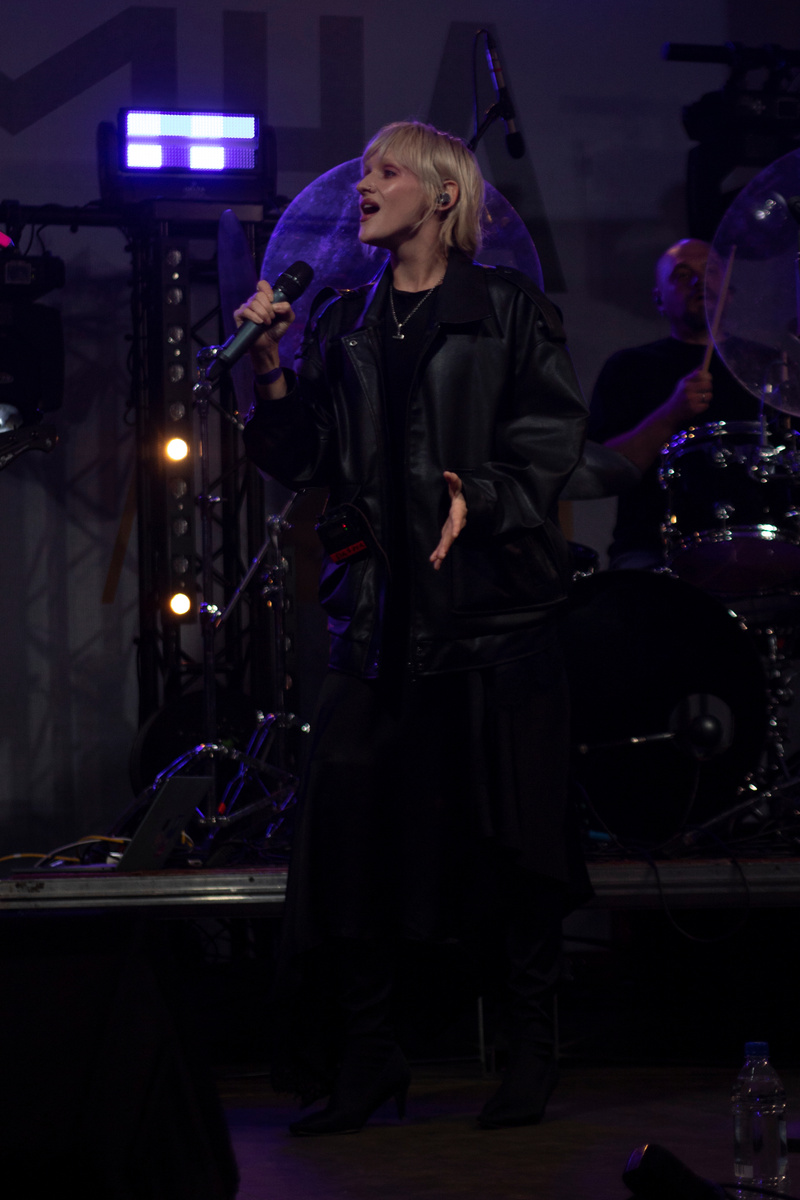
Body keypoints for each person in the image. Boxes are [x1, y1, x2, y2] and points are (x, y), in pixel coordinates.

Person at [238, 120, 589, 1135]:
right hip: (377, 623)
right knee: (352, 845)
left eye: (386, 172)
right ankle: (368, 1055)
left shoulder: (507, 310)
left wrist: (481, 496)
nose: (364, 186)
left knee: (511, 844)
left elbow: (550, 441)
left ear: (441, 195)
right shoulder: (344, 319)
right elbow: (307, 457)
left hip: (490, 621)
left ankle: (529, 1051)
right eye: (363, 173)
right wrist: (271, 367)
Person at [588, 238, 760, 569]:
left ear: (729, 291)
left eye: (710, 271)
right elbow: (602, 471)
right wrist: (671, 413)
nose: (699, 281)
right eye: (682, 275)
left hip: (759, 542)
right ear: (659, 299)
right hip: (653, 549)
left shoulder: (762, 366)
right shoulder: (630, 367)